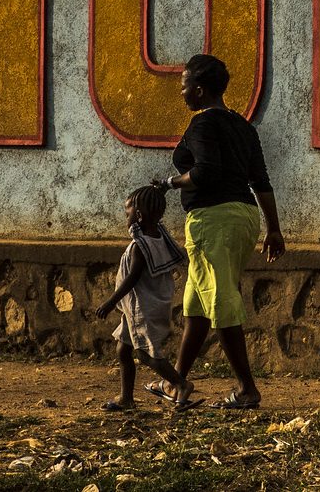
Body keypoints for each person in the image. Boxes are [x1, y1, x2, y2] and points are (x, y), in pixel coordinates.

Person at [165, 53, 285, 409]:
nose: (182, 92)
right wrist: (273, 229)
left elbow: (204, 172)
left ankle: (247, 389)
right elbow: (260, 179)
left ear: (199, 91)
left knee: (220, 300)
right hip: (243, 216)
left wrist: (170, 182)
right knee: (197, 305)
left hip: (213, 220)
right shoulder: (243, 126)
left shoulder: (202, 125)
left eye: (184, 86)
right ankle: (175, 383)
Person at [93, 183, 193, 411]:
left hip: (142, 308)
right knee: (123, 349)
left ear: (137, 215)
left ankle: (180, 383)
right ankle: (125, 397)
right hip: (140, 307)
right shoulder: (159, 238)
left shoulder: (141, 246)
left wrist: (109, 302)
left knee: (146, 354)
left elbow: (132, 279)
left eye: (127, 213)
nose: (125, 217)